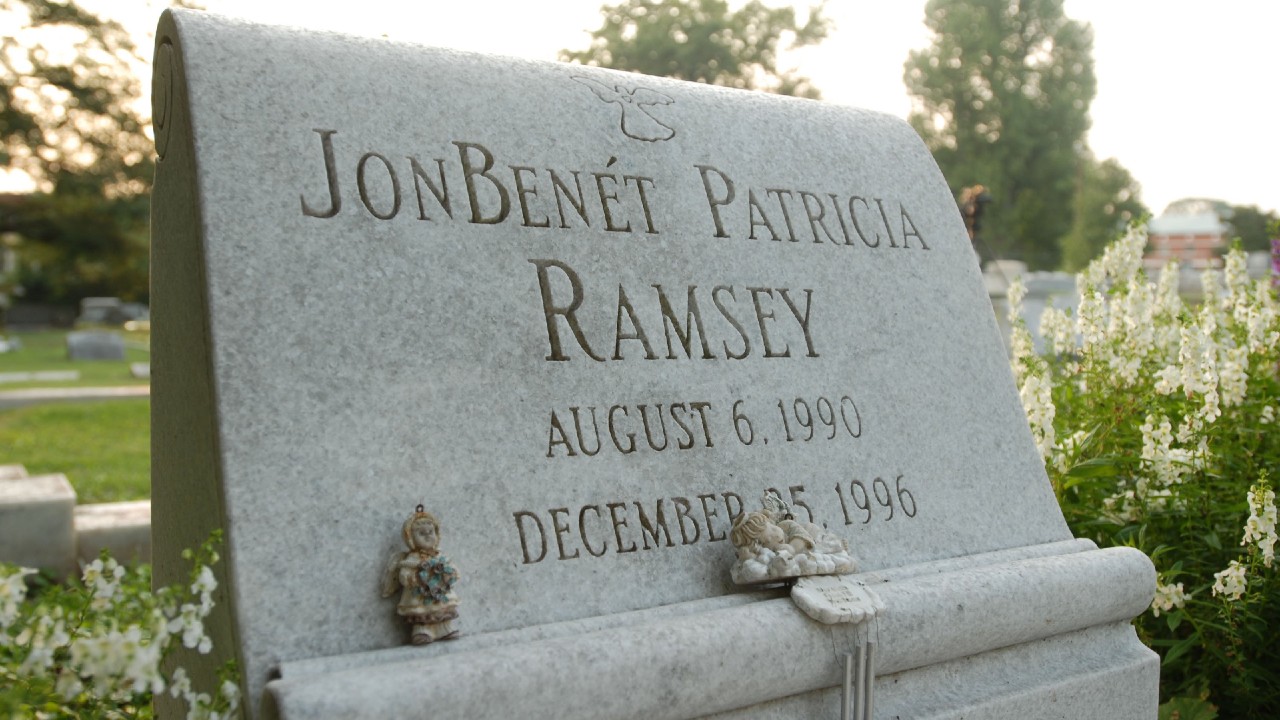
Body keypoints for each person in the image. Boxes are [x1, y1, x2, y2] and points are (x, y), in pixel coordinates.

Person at [381, 505, 459, 645]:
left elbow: (452, 569)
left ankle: (444, 629)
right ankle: (423, 631)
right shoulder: (412, 559)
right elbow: (404, 573)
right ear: (410, 538)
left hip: (439, 591)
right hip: (420, 594)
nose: (428, 535)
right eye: (422, 533)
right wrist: (412, 579)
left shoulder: (439, 556)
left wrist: (451, 574)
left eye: (431, 532)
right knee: (422, 612)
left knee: (442, 609)